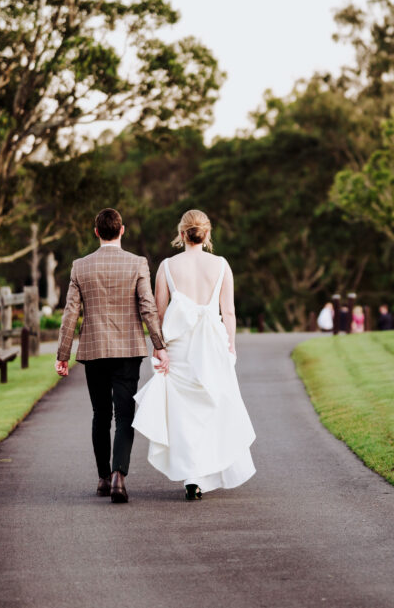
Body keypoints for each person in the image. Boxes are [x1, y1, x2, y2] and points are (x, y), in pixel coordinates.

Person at [133, 210, 256, 501]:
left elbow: (159, 313)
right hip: (213, 345)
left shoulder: (166, 266)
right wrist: (231, 346)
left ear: (181, 233)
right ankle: (202, 471)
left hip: (179, 348)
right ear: (207, 234)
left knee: (183, 413)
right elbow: (228, 312)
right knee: (212, 407)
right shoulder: (222, 265)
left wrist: (158, 348)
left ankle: (192, 475)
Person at [55, 208, 168, 504]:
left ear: (96, 232)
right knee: (125, 415)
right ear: (122, 231)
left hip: (93, 351)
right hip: (129, 350)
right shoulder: (137, 263)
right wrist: (159, 343)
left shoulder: (80, 266)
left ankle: (104, 477)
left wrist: (62, 354)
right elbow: (147, 306)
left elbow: (70, 314)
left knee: (100, 415)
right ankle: (120, 475)